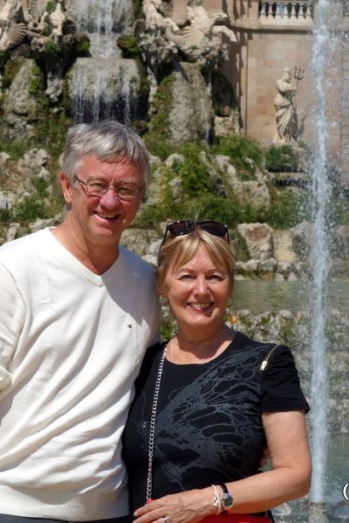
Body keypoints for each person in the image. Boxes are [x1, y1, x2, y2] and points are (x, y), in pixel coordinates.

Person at [0, 120, 161, 523]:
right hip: (13, 510)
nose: (110, 201)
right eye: (96, 185)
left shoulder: (146, 284)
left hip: (113, 512)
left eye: (126, 189)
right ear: (66, 186)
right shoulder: (11, 269)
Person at [123, 220, 311, 523]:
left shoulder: (267, 362)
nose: (201, 290)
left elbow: (296, 476)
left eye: (214, 277)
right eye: (186, 276)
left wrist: (208, 500)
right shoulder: (141, 364)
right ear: (163, 284)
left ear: (230, 285)